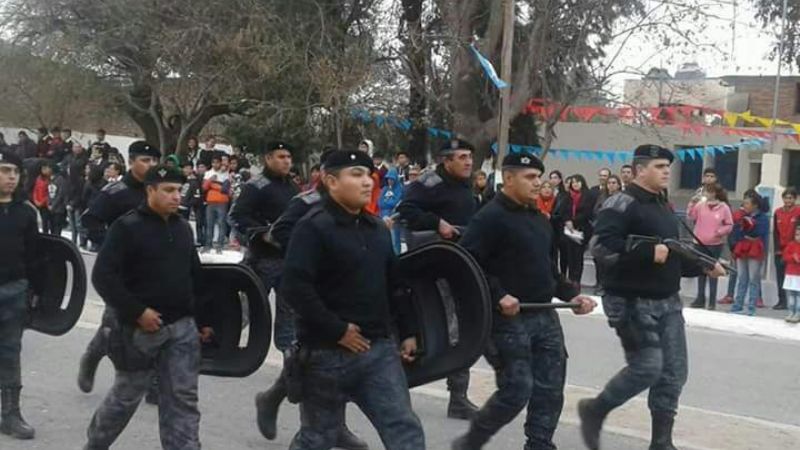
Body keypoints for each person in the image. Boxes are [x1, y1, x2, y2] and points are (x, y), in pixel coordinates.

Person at [579, 144, 726, 450]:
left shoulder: (662, 206)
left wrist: (704, 266)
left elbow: (670, 253)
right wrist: (646, 252)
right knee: (648, 367)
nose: (666, 172)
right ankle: (595, 409)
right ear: (639, 170)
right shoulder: (620, 203)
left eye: (667, 167)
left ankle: (662, 442)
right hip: (631, 301)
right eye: (659, 167)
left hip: (668, 302)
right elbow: (601, 248)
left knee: (673, 373)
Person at [281, 149, 424, 450]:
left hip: (378, 351)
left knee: (404, 429)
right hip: (325, 354)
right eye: (356, 175)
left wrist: (409, 331)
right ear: (331, 181)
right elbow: (296, 288)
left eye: (368, 175)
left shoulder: (377, 230)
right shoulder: (313, 227)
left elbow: (395, 284)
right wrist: (337, 330)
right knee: (318, 437)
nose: (367, 182)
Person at [452, 152, 596, 450]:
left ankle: (539, 444)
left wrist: (572, 295)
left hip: (545, 315)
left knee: (551, 387)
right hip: (507, 319)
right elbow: (466, 265)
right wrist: (498, 294)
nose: (537, 183)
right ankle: (471, 442)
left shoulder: (540, 220)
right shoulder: (489, 218)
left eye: (538, 177)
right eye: (529, 177)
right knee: (517, 389)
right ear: (508, 178)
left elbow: (549, 271)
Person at [84, 165, 213, 450]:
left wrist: (203, 320)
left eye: (179, 190)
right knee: (126, 396)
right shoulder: (127, 227)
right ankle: (95, 444)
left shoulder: (182, 229)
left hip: (181, 329)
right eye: (168, 190)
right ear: (150, 190)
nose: (176, 196)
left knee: (183, 400)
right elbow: (103, 276)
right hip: (137, 331)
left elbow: (195, 276)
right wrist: (137, 312)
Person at [396, 138, 480, 420]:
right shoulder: (429, 184)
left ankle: (458, 397)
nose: (469, 162)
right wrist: (437, 223)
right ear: (447, 161)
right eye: (462, 157)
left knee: (464, 326)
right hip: (433, 267)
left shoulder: (467, 185)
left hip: (461, 263)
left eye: (470, 156)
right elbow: (406, 211)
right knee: (439, 325)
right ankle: (399, 389)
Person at [77, 141, 160, 396]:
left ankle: (155, 381)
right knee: (114, 325)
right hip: (121, 273)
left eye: (155, 161)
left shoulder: (160, 191)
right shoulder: (116, 192)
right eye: (145, 160)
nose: (151, 166)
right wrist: (111, 248)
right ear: (132, 161)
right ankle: (93, 355)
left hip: (154, 272)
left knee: (158, 322)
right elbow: (90, 220)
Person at [0, 149, 42, 440]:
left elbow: (36, 257)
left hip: (14, 292)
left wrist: (34, 293)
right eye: (4, 170)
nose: (10, 177)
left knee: (10, 353)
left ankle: (10, 415)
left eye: (14, 172)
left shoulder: (26, 212)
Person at [687, 183, 733, 310]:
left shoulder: (723, 208)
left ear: (714, 193)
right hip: (699, 242)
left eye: (708, 191)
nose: (705, 194)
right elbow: (691, 216)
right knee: (700, 271)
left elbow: (729, 224)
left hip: (715, 244)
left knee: (713, 271)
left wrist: (719, 232)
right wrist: (692, 204)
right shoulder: (700, 205)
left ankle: (712, 301)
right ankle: (700, 298)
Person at [731, 194, 769, 316]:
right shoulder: (743, 216)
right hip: (743, 248)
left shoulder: (763, 218)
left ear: (755, 205)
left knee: (754, 278)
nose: (744, 206)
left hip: (755, 249)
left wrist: (749, 229)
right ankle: (738, 304)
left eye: (747, 203)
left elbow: (759, 233)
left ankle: (751, 306)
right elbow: (737, 231)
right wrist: (744, 232)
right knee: (742, 277)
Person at [561, 174, 594, 287]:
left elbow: (587, 212)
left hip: (582, 229)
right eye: (573, 182)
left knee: (578, 256)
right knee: (570, 255)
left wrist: (573, 222)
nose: (575, 184)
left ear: (582, 182)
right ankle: (570, 279)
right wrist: (567, 220)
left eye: (578, 182)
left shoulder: (588, 195)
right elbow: (564, 211)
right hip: (569, 230)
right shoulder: (568, 196)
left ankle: (577, 280)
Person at [773, 188, 800, 311]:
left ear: (795, 199)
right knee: (780, 276)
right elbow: (775, 233)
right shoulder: (777, 212)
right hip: (780, 250)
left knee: (795, 276)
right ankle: (782, 301)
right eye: (786, 198)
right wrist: (777, 248)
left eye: (790, 198)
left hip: (794, 249)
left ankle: (796, 303)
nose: (788, 200)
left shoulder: (798, 212)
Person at [202, 155, 231, 254]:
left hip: (222, 201)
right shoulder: (208, 173)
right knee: (209, 224)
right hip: (210, 201)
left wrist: (213, 185)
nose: (215, 164)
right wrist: (211, 180)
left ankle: (220, 246)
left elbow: (225, 189)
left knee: (221, 224)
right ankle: (208, 245)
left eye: (217, 162)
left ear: (220, 163)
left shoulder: (225, 174)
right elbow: (204, 187)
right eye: (213, 162)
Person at [64, 142, 90, 246]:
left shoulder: (80, 180)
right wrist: (67, 203)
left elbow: (79, 194)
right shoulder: (67, 180)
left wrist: (72, 204)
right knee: (72, 225)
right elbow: (66, 192)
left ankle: (82, 242)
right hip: (69, 203)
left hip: (77, 204)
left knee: (79, 224)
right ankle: (73, 242)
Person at [379, 168, 404, 254]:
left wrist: (387, 203)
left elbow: (397, 202)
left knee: (394, 240)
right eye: (388, 179)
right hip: (382, 216)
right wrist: (388, 203)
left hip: (393, 217)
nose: (390, 181)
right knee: (384, 240)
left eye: (392, 179)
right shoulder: (384, 189)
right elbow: (380, 202)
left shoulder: (400, 188)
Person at [782, 224, 800, 322]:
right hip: (791, 273)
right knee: (791, 294)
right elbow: (785, 256)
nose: (798, 237)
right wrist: (793, 258)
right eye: (797, 234)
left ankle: (798, 313)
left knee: (798, 295)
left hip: (799, 275)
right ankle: (791, 312)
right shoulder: (791, 244)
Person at [30, 161, 53, 233]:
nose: (44, 170)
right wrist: (35, 200)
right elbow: (35, 190)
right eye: (43, 168)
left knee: (48, 222)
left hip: (46, 204)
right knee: (43, 222)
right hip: (38, 204)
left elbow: (48, 193)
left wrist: (42, 201)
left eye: (46, 168)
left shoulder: (50, 180)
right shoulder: (38, 178)